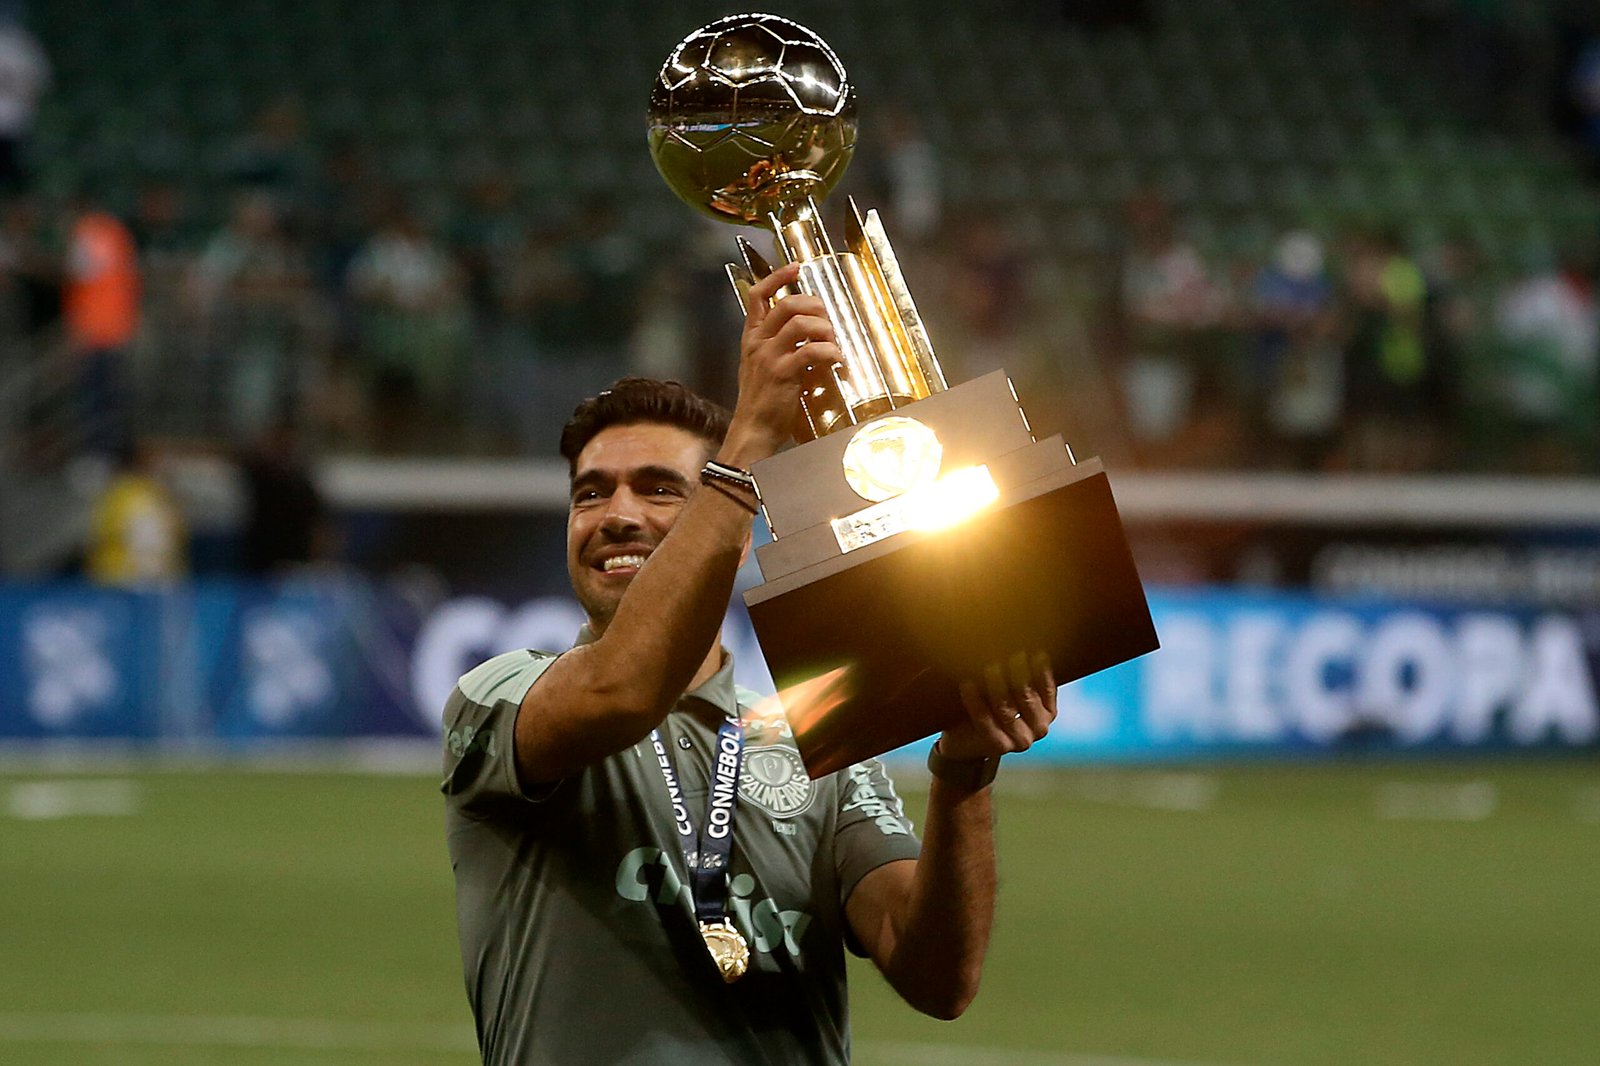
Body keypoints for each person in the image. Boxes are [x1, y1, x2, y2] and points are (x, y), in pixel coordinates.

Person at [441, 261, 1058, 1065]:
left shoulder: (819, 741)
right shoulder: (498, 696)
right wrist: (745, 452)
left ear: (734, 535)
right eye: (590, 494)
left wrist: (964, 774)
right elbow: (621, 690)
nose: (616, 515)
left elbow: (939, 979)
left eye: (660, 490)